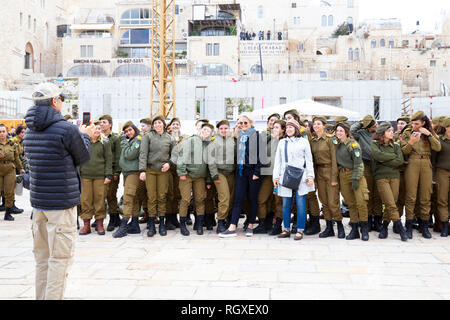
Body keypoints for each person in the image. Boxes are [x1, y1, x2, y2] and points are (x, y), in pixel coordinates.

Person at [24, 82, 93, 300]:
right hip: (61, 206)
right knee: (59, 260)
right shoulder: (66, 129)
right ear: (55, 101)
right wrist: (85, 135)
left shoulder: (29, 131)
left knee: (42, 260)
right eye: (61, 99)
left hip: (39, 204)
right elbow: (82, 158)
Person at [219, 115, 265, 238]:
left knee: (252, 199)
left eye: (245, 122)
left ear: (251, 123)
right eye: (240, 123)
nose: (243, 124)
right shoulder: (240, 136)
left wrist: (257, 172)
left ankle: (250, 225)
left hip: (253, 172)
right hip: (241, 171)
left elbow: (262, 156)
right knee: (238, 199)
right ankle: (232, 226)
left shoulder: (257, 136)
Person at [401, 111, 441, 239]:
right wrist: (411, 141)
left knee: (425, 195)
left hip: (426, 163)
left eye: (417, 123)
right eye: (412, 123)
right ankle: (408, 225)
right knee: (411, 196)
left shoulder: (429, 132)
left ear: (423, 123)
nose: (414, 125)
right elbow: (404, 151)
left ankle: (424, 225)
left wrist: (428, 134)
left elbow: (438, 147)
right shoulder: (407, 132)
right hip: (412, 162)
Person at [273, 119, 315, 241]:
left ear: (296, 129)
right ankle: (286, 229)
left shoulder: (304, 142)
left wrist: (310, 176)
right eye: (287, 127)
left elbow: (309, 160)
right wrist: (275, 177)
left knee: (301, 204)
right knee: (286, 204)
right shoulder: (282, 142)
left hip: (301, 176)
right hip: (285, 176)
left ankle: (300, 229)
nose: (289, 129)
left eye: (292, 127)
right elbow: (278, 161)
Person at [139, 115, 176, 237]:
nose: (158, 125)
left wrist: (169, 164)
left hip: (163, 171)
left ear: (164, 125)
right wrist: (142, 170)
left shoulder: (170, 138)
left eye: (160, 123)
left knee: (162, 196)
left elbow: (174, 154)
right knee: (151, 197)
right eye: (155, 123)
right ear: (153, 125)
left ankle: (162, 224)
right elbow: (143, 154)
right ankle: (151, 224)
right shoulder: (147, 137)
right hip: (150, 170)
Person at [371, 122, 408, 241]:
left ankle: (384, 227)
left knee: (392, 202)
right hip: (381, 177)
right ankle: (400, 228)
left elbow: (400, 161)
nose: (392, 133)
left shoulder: (396, 146)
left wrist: (384, 159)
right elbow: (377, 156)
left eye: (392, 131)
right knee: (391, 203)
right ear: (382, 134)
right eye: (389, 131)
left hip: (395, 176)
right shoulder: (374, 144)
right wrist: (392, 157)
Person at [310, 116, 345, 238]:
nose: (316, 126)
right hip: (319, 173)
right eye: (314, 124)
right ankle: (329, 227)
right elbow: (312, 161)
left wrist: (335, 178)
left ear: (324, 126)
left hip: (330, 172)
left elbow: (335, 159)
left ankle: (340, 226)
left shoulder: (331, 140)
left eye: (319, 124)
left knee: (332, 202)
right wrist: (314, 178)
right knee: (324, 202)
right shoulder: (313, 142)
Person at [177, 123, 214, 236]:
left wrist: (208, 180)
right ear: (200, 130)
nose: (205, 132)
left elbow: (209, 165)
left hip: (200, 177)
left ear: (211, 134)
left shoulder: (209, 145)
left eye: (208, 131)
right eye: (204, 129)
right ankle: (182, 224)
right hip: (187, 174)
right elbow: (182, 157)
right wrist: (182, 172)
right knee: (186, 199)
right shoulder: (190, 141)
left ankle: (199, 224)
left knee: (200, 199)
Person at [335, 122, 370, 241]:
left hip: (355, 174)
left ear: (346, 132)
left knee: (361, 202)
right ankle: (354, 228)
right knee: (351, 204)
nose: (339, 133)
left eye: (341, 131)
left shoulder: (353, 144)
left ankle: (364, 228)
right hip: (343, 176)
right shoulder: (338, 144)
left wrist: (355, 178)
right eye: (337, 130)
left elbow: (359, 164)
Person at [78, 121, 113, 236]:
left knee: (100, 200)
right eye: (95, 129)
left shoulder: (105, 142)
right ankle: (86, 225)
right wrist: (78, 173)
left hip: (100, 176)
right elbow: (78, 157)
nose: (97, 130)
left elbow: (109, 159)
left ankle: (99, 224)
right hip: (85, 176)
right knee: (85, 200)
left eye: (99, 128)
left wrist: (108, 175)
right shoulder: (83, 142)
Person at [351, 115, 383, 232]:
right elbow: (351, 130)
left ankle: (378, 220)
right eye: (373, 125)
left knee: (378, 193)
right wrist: (362, 122)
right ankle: (368, 219)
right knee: (367, 192)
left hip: (378, 165)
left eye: (376, 124)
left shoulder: (380, 133)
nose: (376, 126)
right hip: (366, 165)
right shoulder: (361, 133)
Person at [113, 121, 143, 238]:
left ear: (135, 129)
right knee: (134, 198)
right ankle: (135, 224)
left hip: (134, 173)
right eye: (126, 131)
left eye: (130, 130)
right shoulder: (130, 141)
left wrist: (124, 142)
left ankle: (124, 225)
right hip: (127, 172)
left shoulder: (138, 140)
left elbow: (130, 155)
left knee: (128, 198)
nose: (128, 133)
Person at [255, 116, 283, 234]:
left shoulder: (285, 141)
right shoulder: (268, 139)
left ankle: (277, 225)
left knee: (278, 201)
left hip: (279, 177)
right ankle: (262, 224)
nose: (274, 129)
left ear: (283, 130)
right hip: (267, 175)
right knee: (262, 199)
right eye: (274, 127)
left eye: (277, 127)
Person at [207, 119, 236, 234]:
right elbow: (210, 160)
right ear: (218, 130)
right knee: (224, 197)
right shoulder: (213, 142)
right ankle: (220, 222)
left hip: (231, 173)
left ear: (229, 129)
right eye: (221, 128)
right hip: (219, 172)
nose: (224, 130)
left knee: (231, 198)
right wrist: (214, 175)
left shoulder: (233, 141)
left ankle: (227, 220)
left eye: (226, 128)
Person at [99, 114, 122, 232]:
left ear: (110, 124)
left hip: (112, 171)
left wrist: (117, 172)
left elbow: (118, 156)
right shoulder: (98, 137)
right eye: (100, 122)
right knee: (101, 196)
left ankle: (113, 218)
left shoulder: (115, 138)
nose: (101, 124)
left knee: (111, 196)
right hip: (100, 171)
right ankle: (103, 219)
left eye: (104, 122)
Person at [0, 124, 24, 221]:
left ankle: (8, 212)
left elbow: (17, 158)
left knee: (9, 192)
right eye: (0, 132)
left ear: (7, 132)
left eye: (3, 131)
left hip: (10, 169)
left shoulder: (13, 144)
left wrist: (21, 168)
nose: (1, 134)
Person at [432, 116, 450, 237]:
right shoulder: (439, 140)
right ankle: (444, 225)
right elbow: (433, 160)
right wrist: (433, 176)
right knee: (442, 199)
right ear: (446, 128)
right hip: (442, 172)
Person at [393, 116, 410, 229]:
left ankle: (406, 221)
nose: (400, 125)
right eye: (398, 123)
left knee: (405, 197)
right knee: (396, 197)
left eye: (402, 123)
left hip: (407, 170)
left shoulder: (409, 136)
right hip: (396, 170)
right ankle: (396, 221)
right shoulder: (393, 135)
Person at [137, 118, 152, 225]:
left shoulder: (152, 137)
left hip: (151, 168)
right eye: (141, 126)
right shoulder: (139, 137)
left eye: (143, 126)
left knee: (151, 193)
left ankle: (153, 215)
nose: (141, 128)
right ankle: (146, 213)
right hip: (141, 168)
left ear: (149, 126)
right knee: (142, 193)